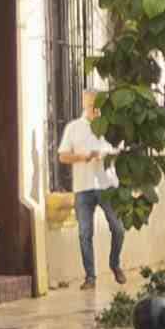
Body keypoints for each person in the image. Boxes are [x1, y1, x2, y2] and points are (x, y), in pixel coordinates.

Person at [57, 105, 124, 288]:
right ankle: (90, 277)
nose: (95, 109)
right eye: (91, 105)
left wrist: (106, 154)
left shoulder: (109, 128)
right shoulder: (74, 127)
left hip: (106, 185)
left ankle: (115, 264)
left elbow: (120, 150)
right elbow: (62, 156)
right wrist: (84, 157)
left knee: (118, 228)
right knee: (84, 234)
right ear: (86, 105)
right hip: (83, 187)